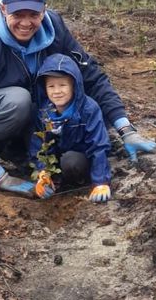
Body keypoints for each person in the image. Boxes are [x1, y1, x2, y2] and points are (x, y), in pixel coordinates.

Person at [0, 0, 156, 197]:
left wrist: (125, 129)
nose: (26, 23)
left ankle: (26, 156)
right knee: (19, 100)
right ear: (4, 9)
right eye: (18, 15)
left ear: (44, 11)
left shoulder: (54, 29)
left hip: (36, 115)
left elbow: (91, 77)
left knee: (74, 158)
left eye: (33, 15)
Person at [30, 54, 112, 203]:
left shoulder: (89, 109)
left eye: (62, 85)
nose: (57, 91)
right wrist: (42, 172)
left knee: (71, 162)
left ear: (74, 86)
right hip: (57, 158)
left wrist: (101, 182)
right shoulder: (43, 112)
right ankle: (55, 181)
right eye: (51, 86)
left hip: (81, 157)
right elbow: (38, 145)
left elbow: (99, 146)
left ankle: (81, 181)